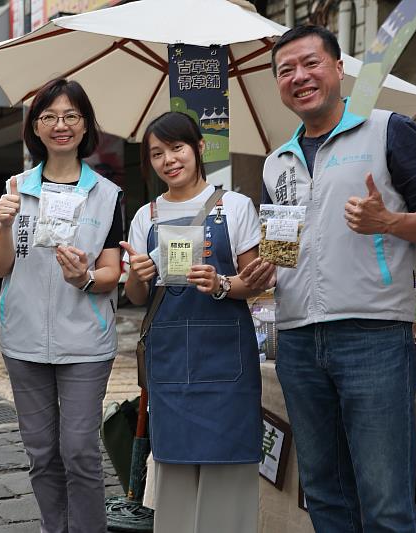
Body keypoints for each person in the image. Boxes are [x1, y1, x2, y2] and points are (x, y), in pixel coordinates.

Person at [264, 25, 416, 532]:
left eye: (310, 63)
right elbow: (284, 250)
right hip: (297, 340)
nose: (299, 77)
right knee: (323, 492)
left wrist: (389, 222)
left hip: (374, 335)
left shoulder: (389, 129)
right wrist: (263, 268)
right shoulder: (278, 161)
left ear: (339, 69)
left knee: (385, 501)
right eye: (285, 71)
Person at [122, 111, 273, 533]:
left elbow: (253, 283)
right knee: (173, 476)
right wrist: (138, 274)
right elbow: (136, 298)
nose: (168, 159)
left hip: (227, 364)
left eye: (176, 148)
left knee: (230, 477)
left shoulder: (236, 206)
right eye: (156, 153)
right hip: (169, 366)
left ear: (199, 148)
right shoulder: (145, 217)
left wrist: (222, 282)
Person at [0, 78, 123, 532]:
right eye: (49, 117)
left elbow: (112, 272)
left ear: (86, 125)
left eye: (71, 116)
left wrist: (83, 277)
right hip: (24, 340)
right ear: (36, 127)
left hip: (85, 341)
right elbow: (1, 266)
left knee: (80, 450)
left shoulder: (107, 195)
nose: (60, 125)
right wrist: (4, 227)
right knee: (42, 453)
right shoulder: (16, 186)